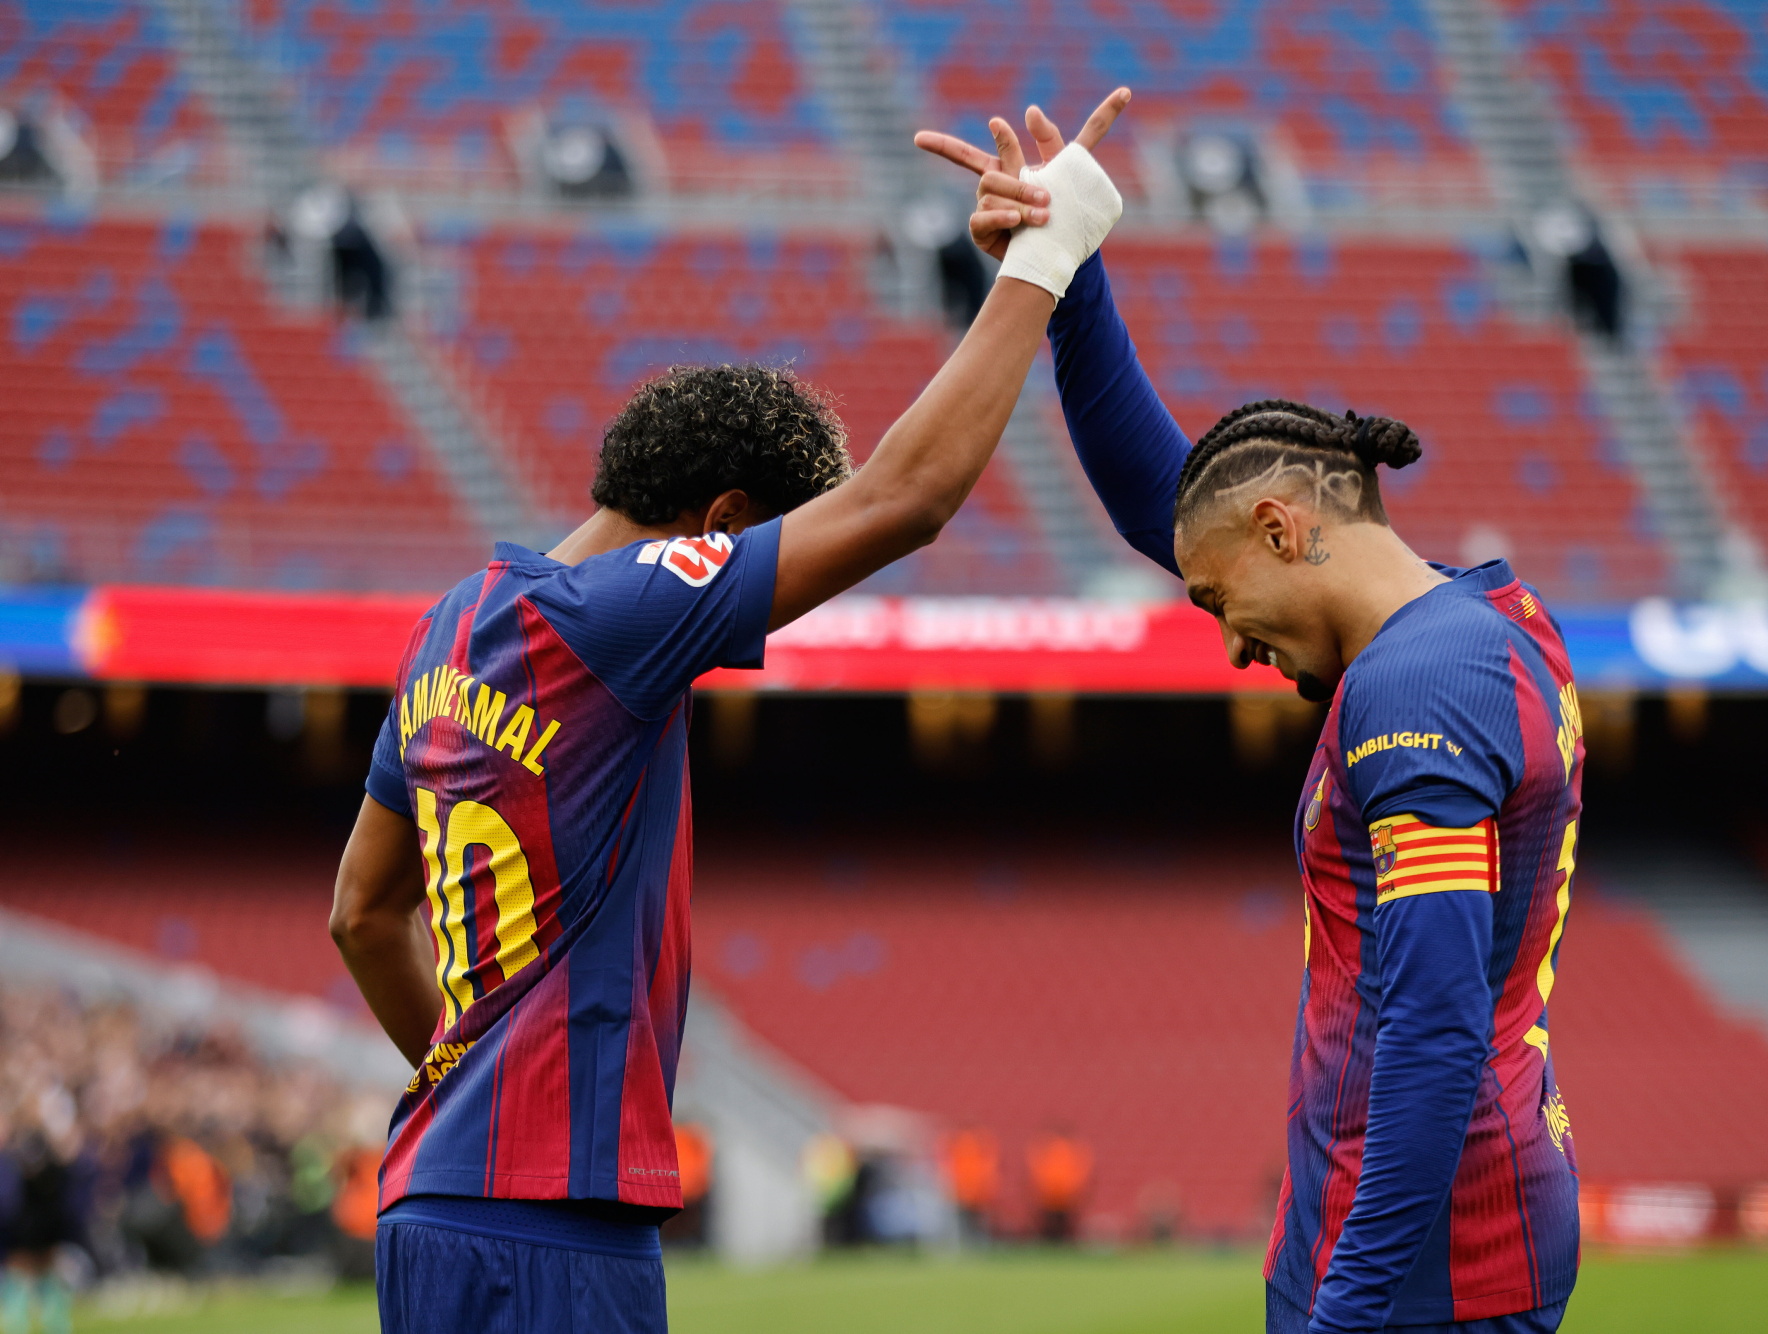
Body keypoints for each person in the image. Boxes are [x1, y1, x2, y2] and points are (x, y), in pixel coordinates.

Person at [328, 88, 1132, 1334]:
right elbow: (903, 500)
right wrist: (1048, 256)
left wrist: (468, 1073)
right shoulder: (616, 615)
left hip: (428, 1203)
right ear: (718, 525)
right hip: (559, 1233)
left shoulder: (448, 624)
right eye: (768, 556)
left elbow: (360, 912)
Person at [920, 110, 1584, 1334]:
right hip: (1432, 1231)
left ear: (1286, 529)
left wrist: (1345, 1308)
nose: (1227, 640)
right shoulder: (1478, 624)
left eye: (1225, 600)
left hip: (1425, 1268)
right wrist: (1062, 263)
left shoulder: (1414, 693)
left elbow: (1429, 1039)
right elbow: (1170, 507)